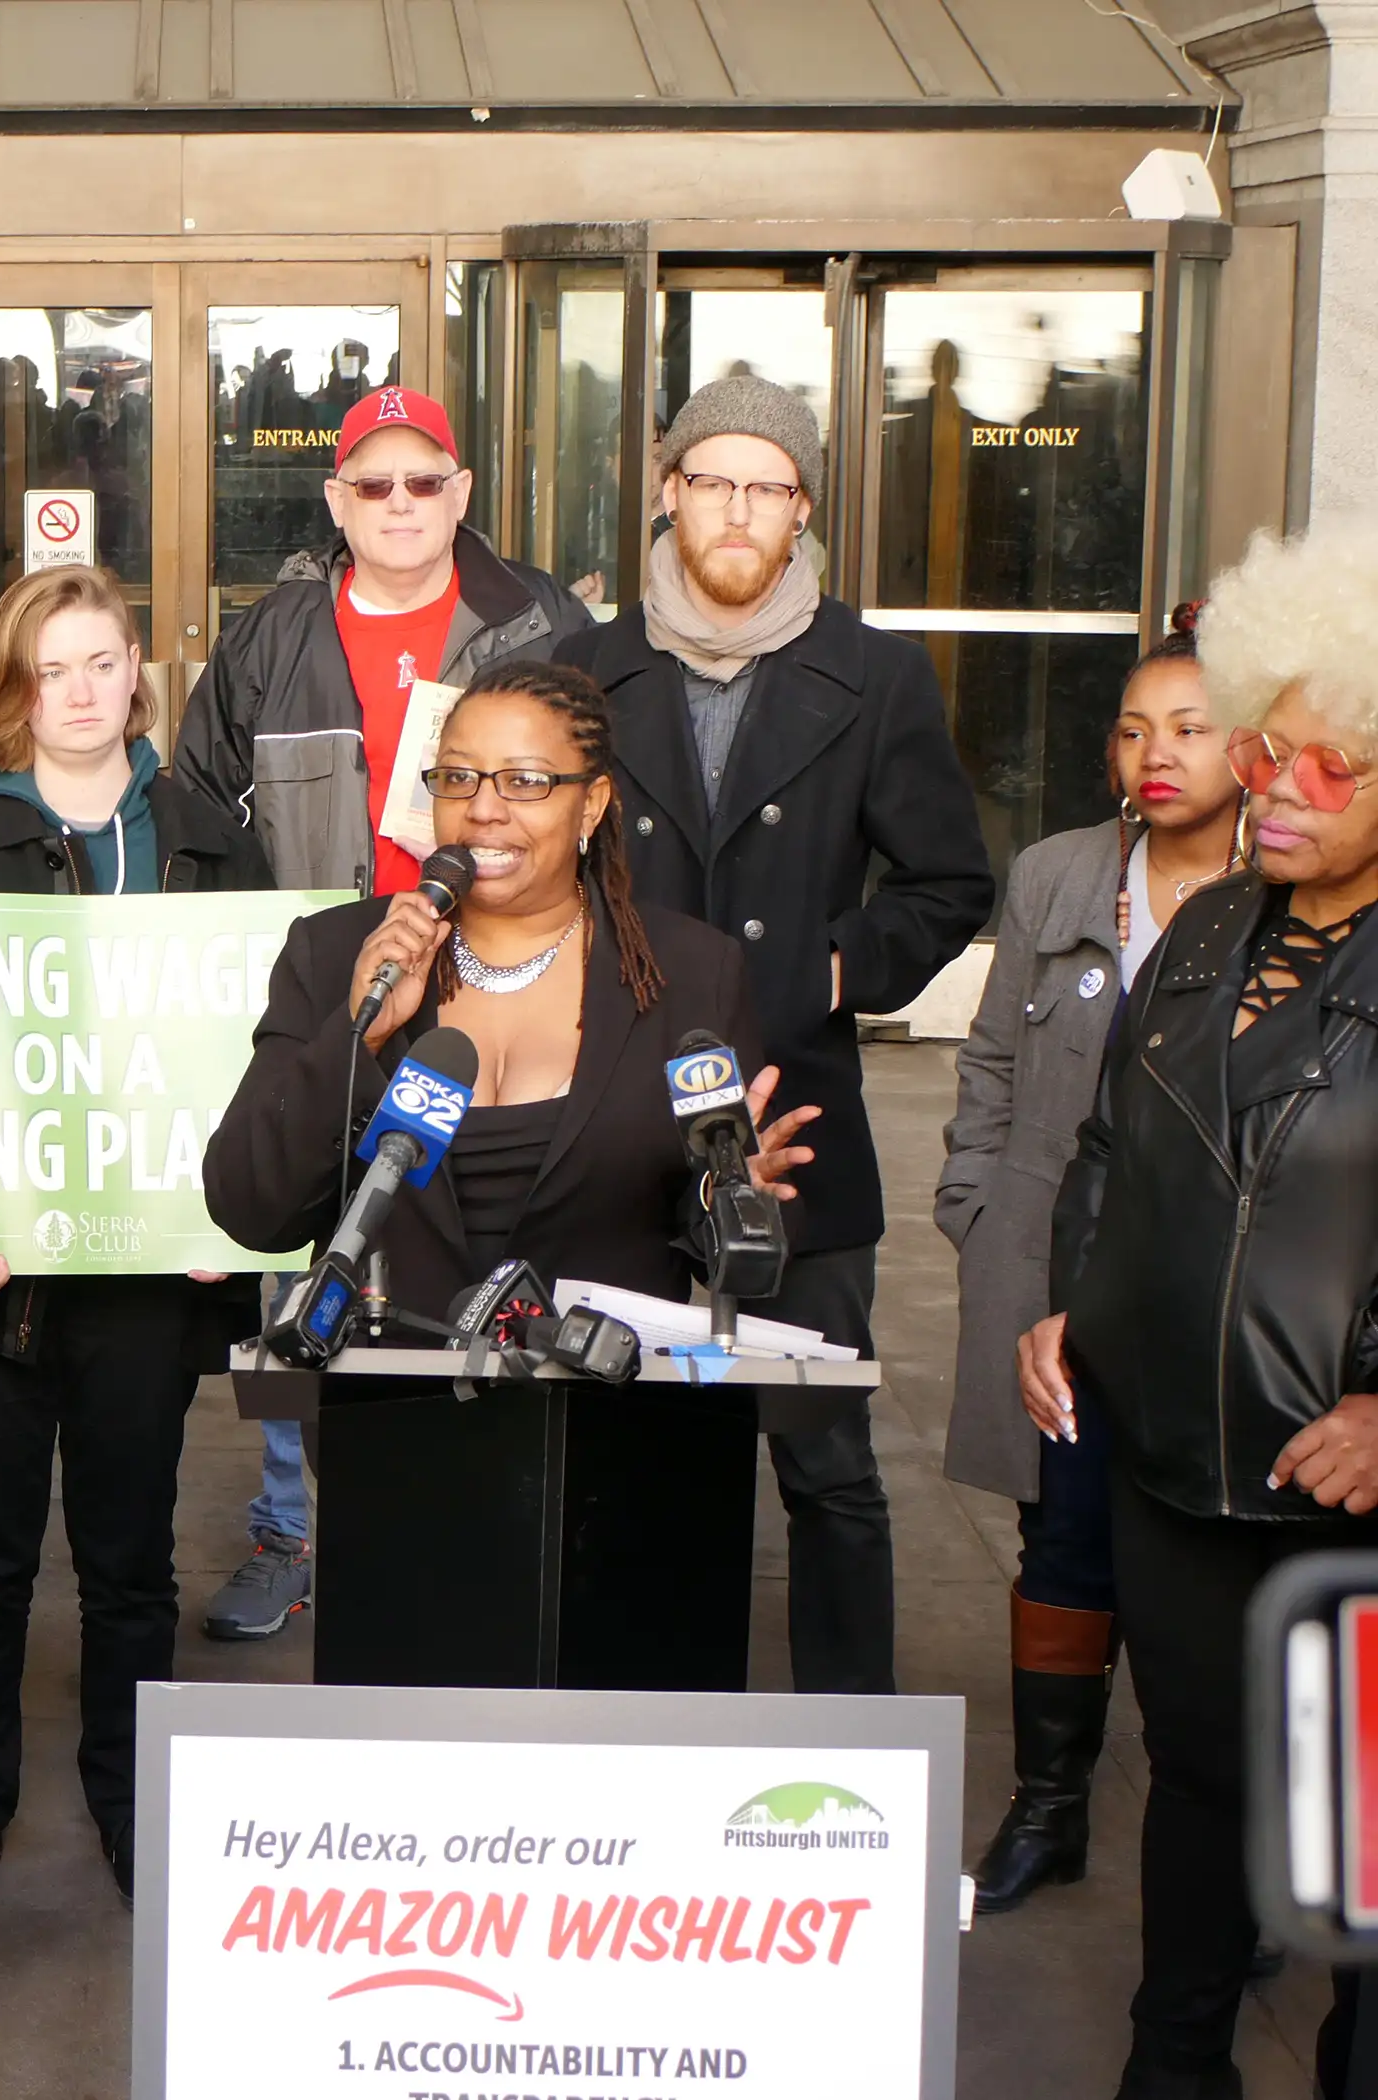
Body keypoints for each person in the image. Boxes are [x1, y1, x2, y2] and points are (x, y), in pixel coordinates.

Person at [556, 373, 994, 1697]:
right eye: (714, 481)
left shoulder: (875, 676)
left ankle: (850, 1755)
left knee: (825, 1462)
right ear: (670, 491)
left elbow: (946, 885)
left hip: (799, 1123)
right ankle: (644, 1737)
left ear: (801, 509)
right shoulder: (584, 670)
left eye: (768, 487)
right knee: (635, 1453)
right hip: (616, 1127)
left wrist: (819, 972)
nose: (739, 511)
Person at [0, 566, 267, 1918]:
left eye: (103, 663)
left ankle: (134, 1807)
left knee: (129, 1558)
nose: (82, 692)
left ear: (139, 671)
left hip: (149, 1275)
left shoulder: (211, 841)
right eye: (53, 669)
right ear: (12, 689)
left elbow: (256, 1054)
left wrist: (230, 1216)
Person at [1031, 525, 1378, 2100]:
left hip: (1342, 1492)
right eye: (1272, 752)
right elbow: (1111, 1152)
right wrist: (1068, 1313)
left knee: (1353, 1828)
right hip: (1171, 1456)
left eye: (1336, 769)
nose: (1285, 789)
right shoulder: (1201, 941)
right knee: (1197, 1781)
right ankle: (1173, 2071)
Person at [175, 384, 591, 1645]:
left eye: (424, 482)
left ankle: (497, 1506)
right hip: (334, 993)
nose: (400, 505)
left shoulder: (535, 621)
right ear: (336, 501)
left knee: (490, 1243)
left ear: (460, 494)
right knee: (313, 1257)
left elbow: (595, 793)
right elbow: (201, 810)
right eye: (373, 484)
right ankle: (293, 1530)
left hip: (498, 979)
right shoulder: (274, 634)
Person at [202, 652, 816, 1373]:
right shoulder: (341, 953)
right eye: (458, 777)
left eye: (525, 781)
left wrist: (734, 1191)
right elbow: (249, 1207)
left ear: (591, 804)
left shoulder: (689, 974)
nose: (483, 808)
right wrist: (357, 1033)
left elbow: (735, 1259)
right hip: (386, 1413)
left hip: (611, 1421)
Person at [935, 609, 1244, 1916]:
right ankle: (1049, 1809)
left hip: (1214, 1292)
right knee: (1059, 1536)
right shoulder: (1061, 875)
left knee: (1200, 1564)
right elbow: (996, 1053)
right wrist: (974, 1199)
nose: (1154, 753)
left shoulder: (1287, 894)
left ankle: (1227, 1845)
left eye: (1188, 728)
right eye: (1132, 729)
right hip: (1049, 1270)